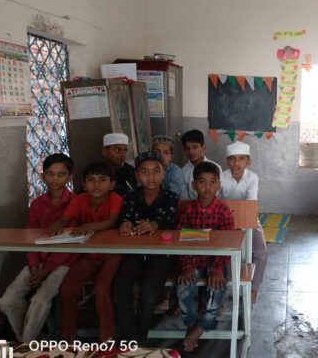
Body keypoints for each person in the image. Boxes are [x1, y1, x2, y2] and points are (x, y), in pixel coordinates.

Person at [0, 153, 76, 342]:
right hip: (38, 261)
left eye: (61, 174)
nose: (55, 178)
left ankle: (24, 345)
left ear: (70, 177)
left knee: (39, 301)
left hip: (63, 263)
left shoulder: (76, 203)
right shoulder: (37, 204)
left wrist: (46, 270)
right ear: (43, 176)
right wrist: (34, 267)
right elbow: (30, 238)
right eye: (50, 173)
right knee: (6, 301)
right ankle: (32, 340)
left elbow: (72, 243)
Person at [49, 161, 123, 342]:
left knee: (102, 288)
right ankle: (68, 337)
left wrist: (88, 226)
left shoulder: (115, 199)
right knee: (67, 287)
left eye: (102, 180)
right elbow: (66, 218)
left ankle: (107, 338)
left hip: (112, 255)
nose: (96, 185)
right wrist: (58, 225)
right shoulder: (79, 199)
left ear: (111, 184)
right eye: (91, 180)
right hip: (88, 255)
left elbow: (112, 222)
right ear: (84, 184)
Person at [112, 151, 179, 343]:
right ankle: (131, 338)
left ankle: (138, 340)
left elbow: (169, 219)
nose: (151, 177)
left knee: (149, 294)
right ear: (137, 175)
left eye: (156, 171)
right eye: (144, 172)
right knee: (119, 288)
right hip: (134, 253)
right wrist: (125, 224)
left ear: (164, 173)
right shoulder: (131, 196)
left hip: (160, 257)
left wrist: (155, 225)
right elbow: (125, 217)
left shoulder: (170, 197)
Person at [176, 161, 234, 352]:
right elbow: (181, 242)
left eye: (212, 182)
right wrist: (188, 266)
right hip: (194, 260)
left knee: (216, 287)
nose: (207, 187)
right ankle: (192, 325)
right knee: (183, 286)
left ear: (219, 185)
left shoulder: (224, 211)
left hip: (218, 259)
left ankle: (198, 329)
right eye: (202, 182)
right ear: (194, 185)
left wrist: (217, 270)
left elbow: (226, 245)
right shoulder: (188, 211)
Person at [219, 141, 267, 304]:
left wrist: (234, 210)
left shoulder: (252, 177)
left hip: (249, 216)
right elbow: (217, 202)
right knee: (222, 251)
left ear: (248, 161)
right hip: (224, 220)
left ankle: (253, 289)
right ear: (227, 161)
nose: (236, 163)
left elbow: (251, 202)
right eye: (232, 159)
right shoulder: (221, 177)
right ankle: (220, 291)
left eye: (241, 159)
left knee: (261, 252)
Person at [179, 129, 222, 199]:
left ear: (203, 147)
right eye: (187, 148)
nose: (191, 151)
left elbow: (218, 193)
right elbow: (184, 197)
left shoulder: (216, 167)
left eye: (195, 147)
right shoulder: (183, 172)